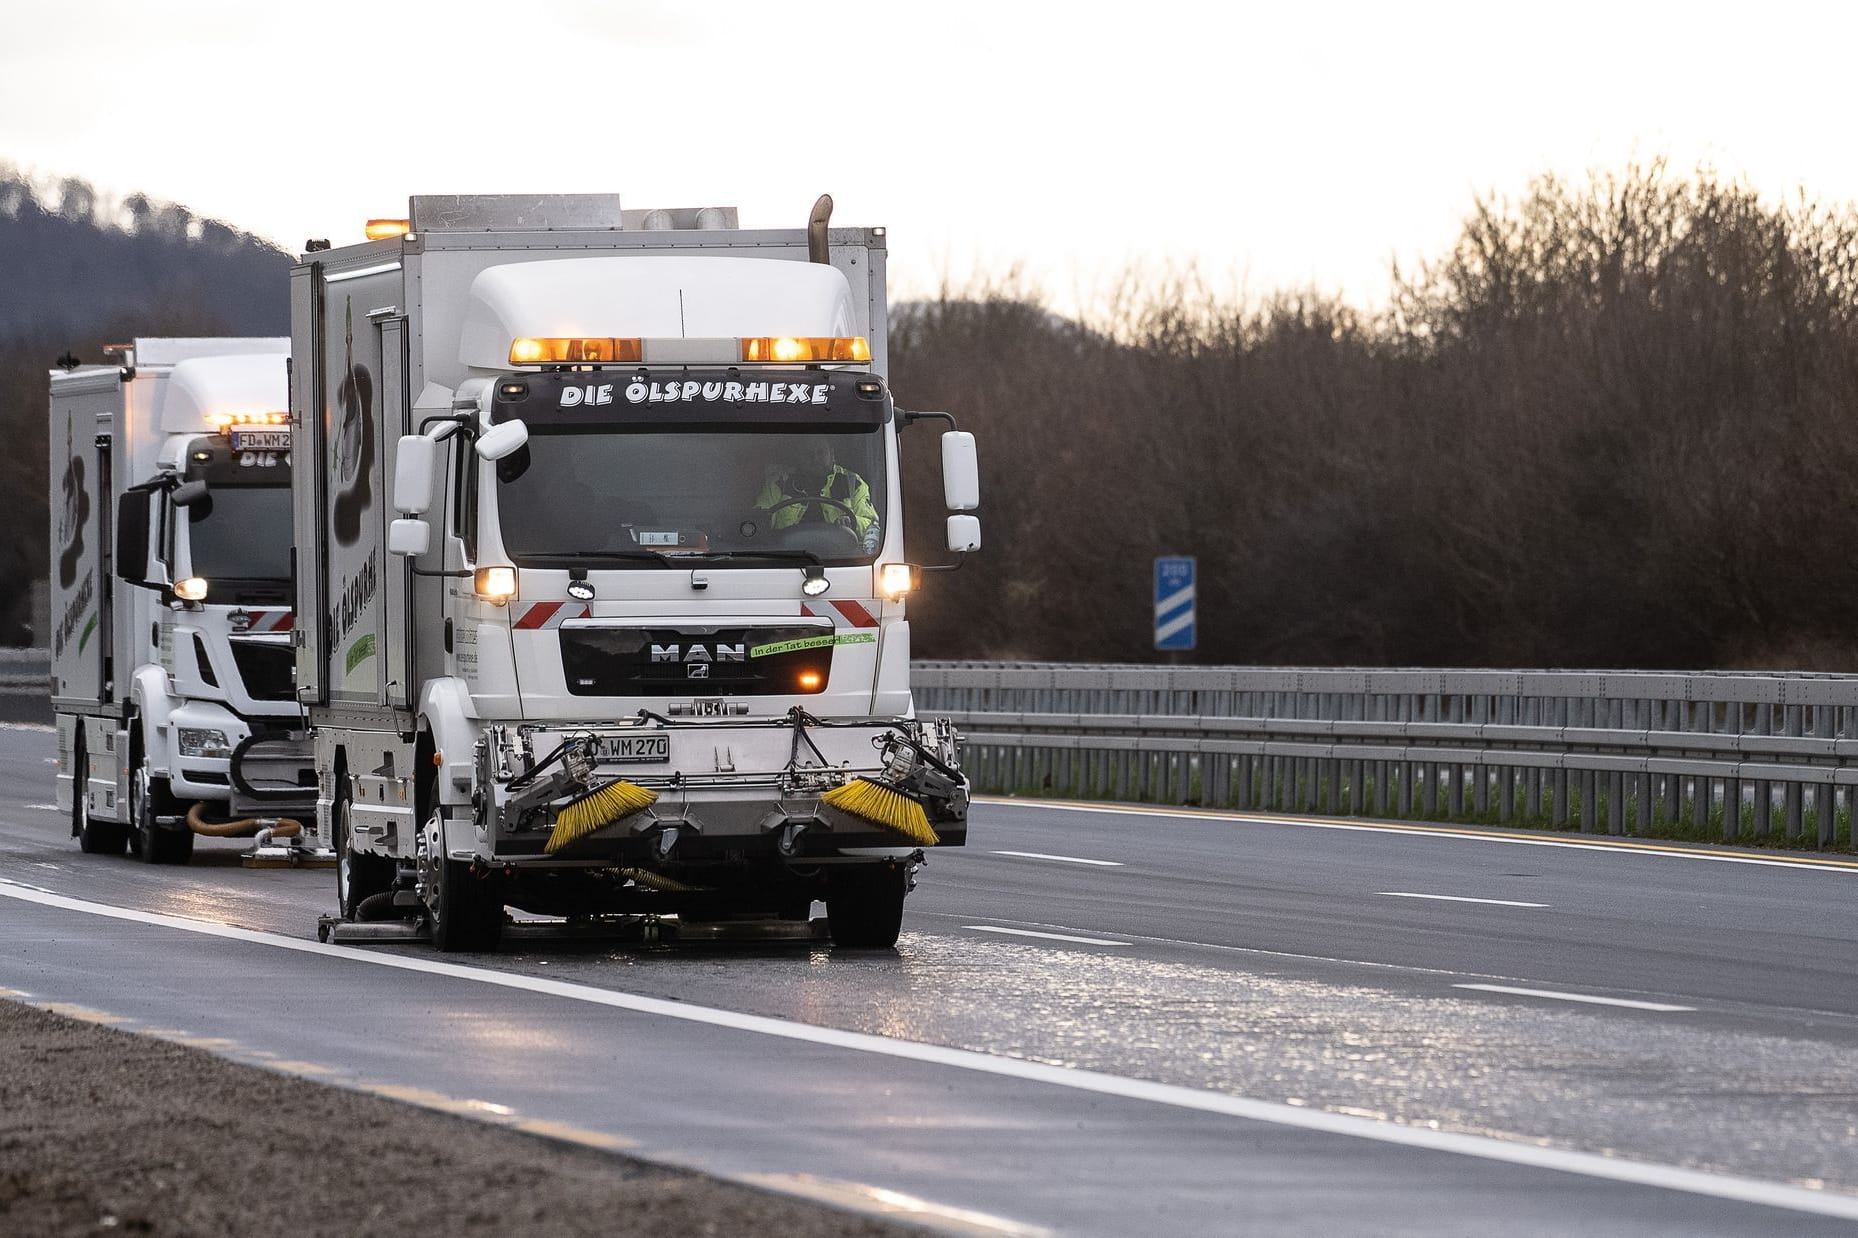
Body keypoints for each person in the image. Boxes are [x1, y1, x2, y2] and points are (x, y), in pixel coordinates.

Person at [755, 440, 881, 552]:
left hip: (840, 558)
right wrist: (759, 524)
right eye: (808, 454)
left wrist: (853, 522)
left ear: (832, 455)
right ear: (799, 457)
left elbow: (871, 525)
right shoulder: (780, 482)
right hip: (785, 559)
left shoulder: (853, 483)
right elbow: (760, 516)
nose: (815, 458)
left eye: (821, 452)